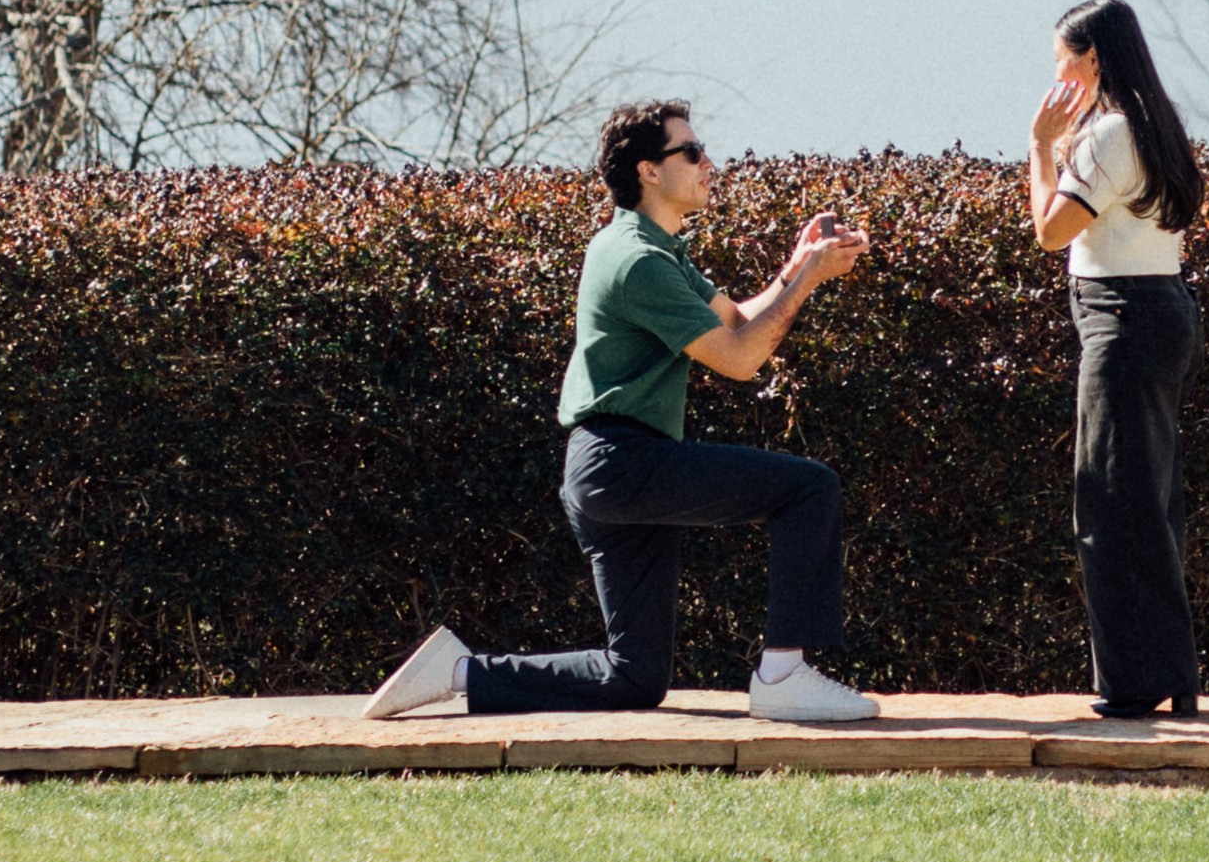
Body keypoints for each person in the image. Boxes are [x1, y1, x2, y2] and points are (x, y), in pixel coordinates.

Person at [362, 98, 879, 723]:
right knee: (808, 488)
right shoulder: (637, 261)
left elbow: (739, 318)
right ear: (649, 171)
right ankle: (784, 674)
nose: (708, 161)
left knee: (631, 678)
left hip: (610, 468)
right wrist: (811, 281)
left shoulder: (654, 249)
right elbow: (742, 359)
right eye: (691, 151)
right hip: (623, 462)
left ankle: (458, 673)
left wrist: (796, 269)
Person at [1026, 0, 1207, 719]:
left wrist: (1041, 145)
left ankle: (1133, 684)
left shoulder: (1106, 136)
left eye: (1063, 61)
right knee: (1151, 498)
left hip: (1122, 318)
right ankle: (1170, 674)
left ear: (1092, 58)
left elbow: (1050, 231)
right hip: (1159, 308)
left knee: (1109, 499)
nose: (1057, 77)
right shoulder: (1155, 125)